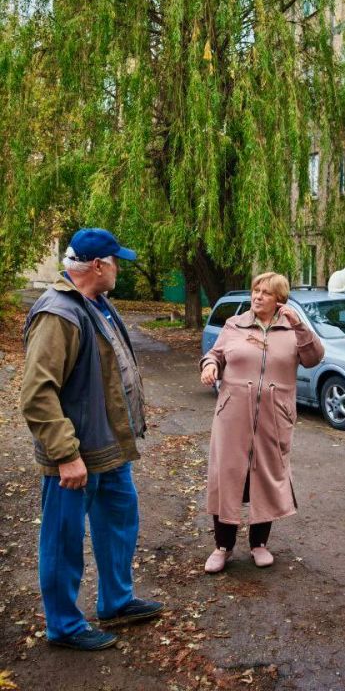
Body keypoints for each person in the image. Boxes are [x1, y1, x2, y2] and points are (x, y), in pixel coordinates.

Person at [20, 228, 163, 651]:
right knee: (63, 540)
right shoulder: (59, 314)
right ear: (98, 265)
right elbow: (37, 393)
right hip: (76, 454)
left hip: (108, 447)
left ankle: (116, 601)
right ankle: (63, 626)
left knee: (119, 521)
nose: (119, 267)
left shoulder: (95, 304)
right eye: (116, 260)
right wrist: (65, 454)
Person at [200, 272, 323, 573]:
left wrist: (298, 324)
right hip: (232, 416)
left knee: (265, 477)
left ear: (279, 299)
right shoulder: (235, 324)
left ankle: (259, 544)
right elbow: (214, 354)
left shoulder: (292, 329)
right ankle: (222, 547)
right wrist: (210, 366)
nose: (257, 297)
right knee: (227, 476)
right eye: (256, 290)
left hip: (274, 417)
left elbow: (314, 357)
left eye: (266, 293)